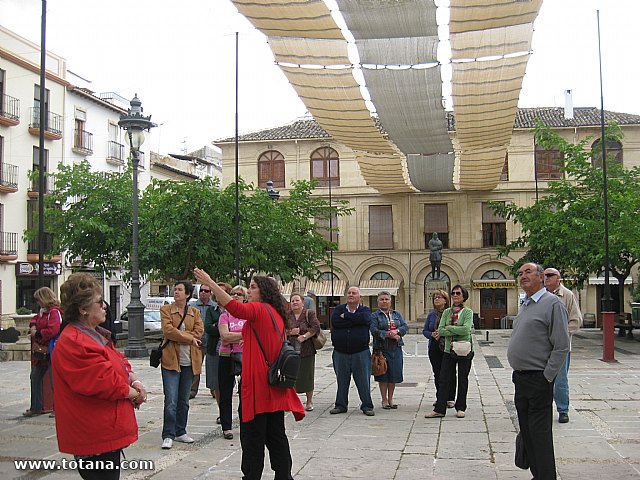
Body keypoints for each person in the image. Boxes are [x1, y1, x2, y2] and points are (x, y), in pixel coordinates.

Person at [195, 268, 304, 480]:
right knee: (276, 436)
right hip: (273, 387)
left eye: (253, 287)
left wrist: (210, 281)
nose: (249, 291)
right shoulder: (275, 313)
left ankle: (252, 476)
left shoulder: (259, 309)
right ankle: (284, 476)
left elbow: (233, 307)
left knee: (253, 438)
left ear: (263, 292)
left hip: (258, 388)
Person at [53, 272, 146, 480]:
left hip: (104, 431)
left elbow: (119, 362)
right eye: (99, 301)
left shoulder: (93, 334)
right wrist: (135, 394)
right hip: (93, 434)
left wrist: (134, 380)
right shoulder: (75, 342)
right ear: (83, 310)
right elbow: (105, 382)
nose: (104, 306)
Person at [507, 263, 569, 480]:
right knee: (527, 430)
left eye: (528, 272)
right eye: (520, 273)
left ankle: (546, 476)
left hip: (538, 378)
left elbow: (561, 345)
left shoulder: (552, 304)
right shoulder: (526, 304)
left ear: (541, 277)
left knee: (539, 433)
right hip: (521, 378)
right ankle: (537, 473)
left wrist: (547, 376)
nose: (522, 276)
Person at [160, 280, 204, 450]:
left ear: (187, 294)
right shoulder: (166, 310)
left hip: (189, 361)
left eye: (179, 290)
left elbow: (199, 332)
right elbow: (168, 331)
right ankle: (168, 434)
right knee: (171, 400)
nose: (176, 292)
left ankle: (180, 430)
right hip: (171, 360)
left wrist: (187, 337)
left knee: (184, 400)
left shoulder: (195, 312)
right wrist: (190, 338)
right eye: (175, 289)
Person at [425, 285, 474, 419]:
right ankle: (440, 408)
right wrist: (454, 329)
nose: (455, 295)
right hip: (448, 349)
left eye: (458, 293)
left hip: (464, 349)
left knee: (462, 379)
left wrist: (450, 328)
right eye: (453, 293)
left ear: (464, 296)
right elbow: (440, 330)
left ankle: (461, 407)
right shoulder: (447, 312)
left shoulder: (468, 312)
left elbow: (466, 330)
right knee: (443, 379)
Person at [544, 267, 583, 424]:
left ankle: (563, 410)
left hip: (560, 347)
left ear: (558, 278)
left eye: (550, 275)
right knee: (543, 378)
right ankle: (544, 408)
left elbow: (576, 320)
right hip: (543, 345)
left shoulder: (566, 295)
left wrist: (562, 336)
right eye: (544, 275)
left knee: (560, 379)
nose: (546, 278)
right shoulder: (541, 295)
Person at [329, 286, 375, 416]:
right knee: (342, 381)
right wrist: (354, 320)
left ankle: (367, 405)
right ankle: (340, 405)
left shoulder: (365, 310)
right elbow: (336, 322)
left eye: (354, 293)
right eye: (349, 293)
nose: (350, 295)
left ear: (359, 297)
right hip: (340, 352)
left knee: (363, 381)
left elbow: (365, 320)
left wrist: (347, 317)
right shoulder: (339, 310)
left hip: (360, 352)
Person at [24, 287, 62, 417]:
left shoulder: (54, 313)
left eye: (39, 300)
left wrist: (38, 333)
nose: (37, 303)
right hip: (41, 352)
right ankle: (36, 406)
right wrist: (33, 325)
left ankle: (57, 408)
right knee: (34, 376)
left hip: (51, 350)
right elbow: (35, 319)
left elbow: (53, 330)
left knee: (53, 380)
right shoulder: (42, 312)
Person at [218, 285, 249, 440]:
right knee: (225, 392)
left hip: (245, 356)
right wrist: (244, 335)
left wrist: (236, 335)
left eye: (239, 294)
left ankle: (245, 422)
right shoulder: (225, 316)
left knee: (245, 391)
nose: (235, 296)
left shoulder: (247, 315)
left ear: (244, 297)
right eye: (233, 294)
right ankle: (226, 426)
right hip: (226, 355)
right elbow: (225, 336)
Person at [370, 291, 407, 409]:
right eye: (382, 299)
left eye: (386, 299)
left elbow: (404, 326)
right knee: (383, 374)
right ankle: (384, 399)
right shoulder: (374, 316)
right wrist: (388, 334)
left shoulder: (397, 314)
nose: (384, 301)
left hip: (396, 348)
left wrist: (398, 332)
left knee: (394, 374)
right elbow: (374, 330)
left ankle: (391, 398)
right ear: (378, 302)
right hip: (382, 349)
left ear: (390, 301)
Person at [287, 292, 321, 412]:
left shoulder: (309, 313)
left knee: (307, 375)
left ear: (302, 302)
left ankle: (309, 401)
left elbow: (316, 327)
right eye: (292, 301)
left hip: (306, 350)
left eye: (297, 300)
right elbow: (281, 329)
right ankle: (291, 401)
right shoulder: (287, 315)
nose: (295, 303)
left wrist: (305, 336)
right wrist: (290, 332)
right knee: (290, 376)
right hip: (290, 350)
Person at [422, 289, 456, 408]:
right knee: (438, 373)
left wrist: (442, 333)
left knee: (450, 372)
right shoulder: (432, 315)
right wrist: (431, 335)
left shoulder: (451, 313)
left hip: (447, 345)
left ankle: (450, 397)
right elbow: (425, 330)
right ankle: (440, 397)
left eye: (439, 297)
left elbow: (454, 328)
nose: (436, 299)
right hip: (434, 346)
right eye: (435, 297)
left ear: (445, 300)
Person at [205, 282, 231, 424]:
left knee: (228, 384)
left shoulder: (233, 309)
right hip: (214, 350)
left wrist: (220, 327)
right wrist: (224, 330)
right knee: (216, 383)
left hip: (231, 350)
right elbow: (208, 328)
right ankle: (222, 411)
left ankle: (227, 410)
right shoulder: (211, 310)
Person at [189, 285, 216, 398]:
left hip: (211, 341)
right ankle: (192, 390)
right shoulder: (192, 306)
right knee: (195, 366)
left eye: (206, 291)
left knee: (212, 367)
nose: (203, 293)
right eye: (201, 290)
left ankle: (214, 389)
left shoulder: (214, 307)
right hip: (197, 341)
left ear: (210, 293)